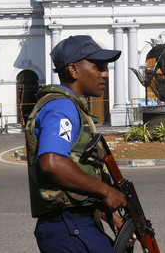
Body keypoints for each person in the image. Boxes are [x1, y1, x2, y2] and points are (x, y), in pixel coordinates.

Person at [25, 35, 126, 252]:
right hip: (68, 226)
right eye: (98, 66)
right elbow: (52, 162)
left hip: (76, 224)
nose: (105, 73)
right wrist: (106, 191)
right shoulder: (62, 107)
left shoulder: (70, 106)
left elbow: (78, 165)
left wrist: (111, 217)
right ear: (73, 70)